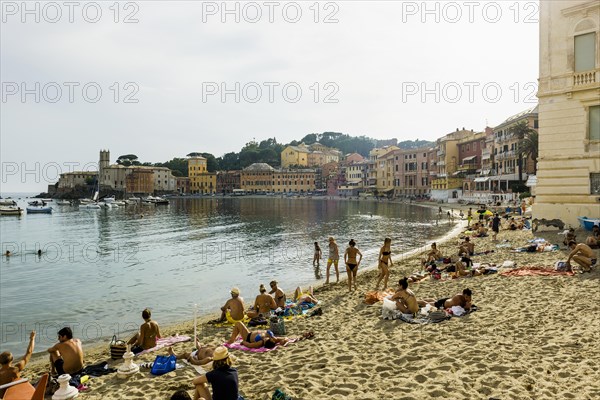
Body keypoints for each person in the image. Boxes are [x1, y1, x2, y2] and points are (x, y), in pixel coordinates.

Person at [0, 331, 35, 398]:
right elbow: (29, 352)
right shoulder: (16, 369)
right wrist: (32, 339)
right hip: (18, 396)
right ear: (12, 360)